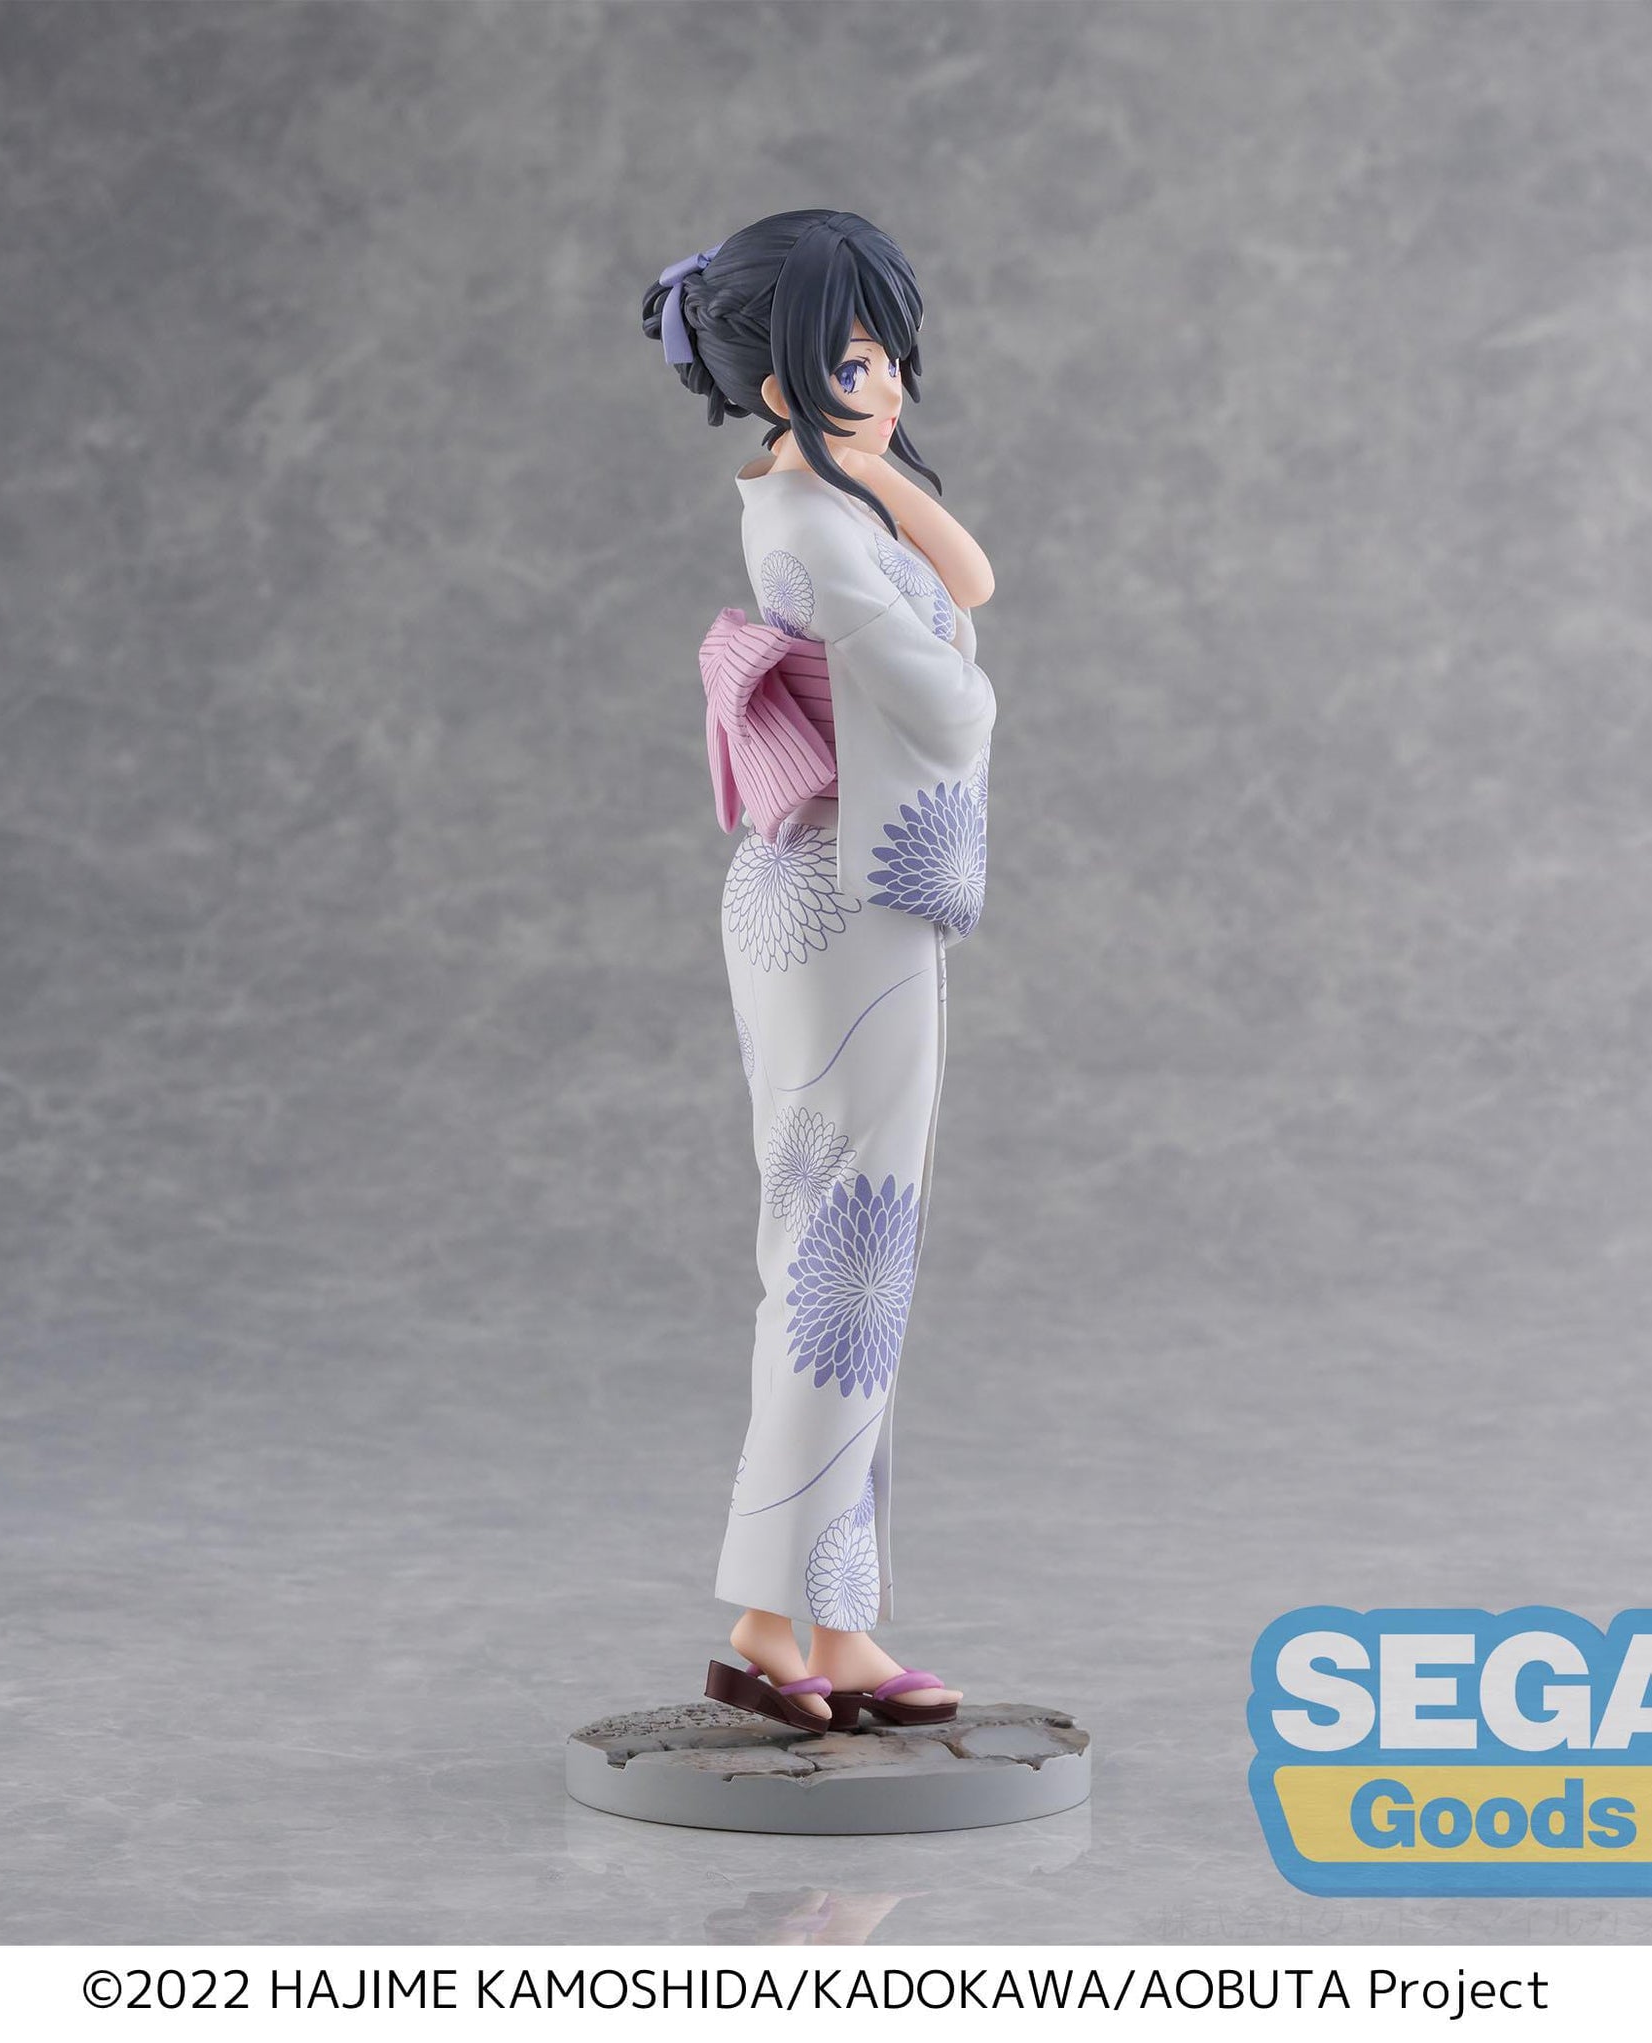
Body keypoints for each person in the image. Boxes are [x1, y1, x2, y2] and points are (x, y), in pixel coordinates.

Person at [642, 210, 996, 1732]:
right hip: (838, 898)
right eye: (857, 360)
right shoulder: (802, 526)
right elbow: (955, 707)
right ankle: (758, 1618)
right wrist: (868, 503)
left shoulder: (827, 499)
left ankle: (833, 1623)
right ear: (781, 381)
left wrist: (875, 465)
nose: (891, 383)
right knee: (835, 1259)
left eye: (894, 353)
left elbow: (970, 584)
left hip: (855, 896)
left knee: (862, 1259)